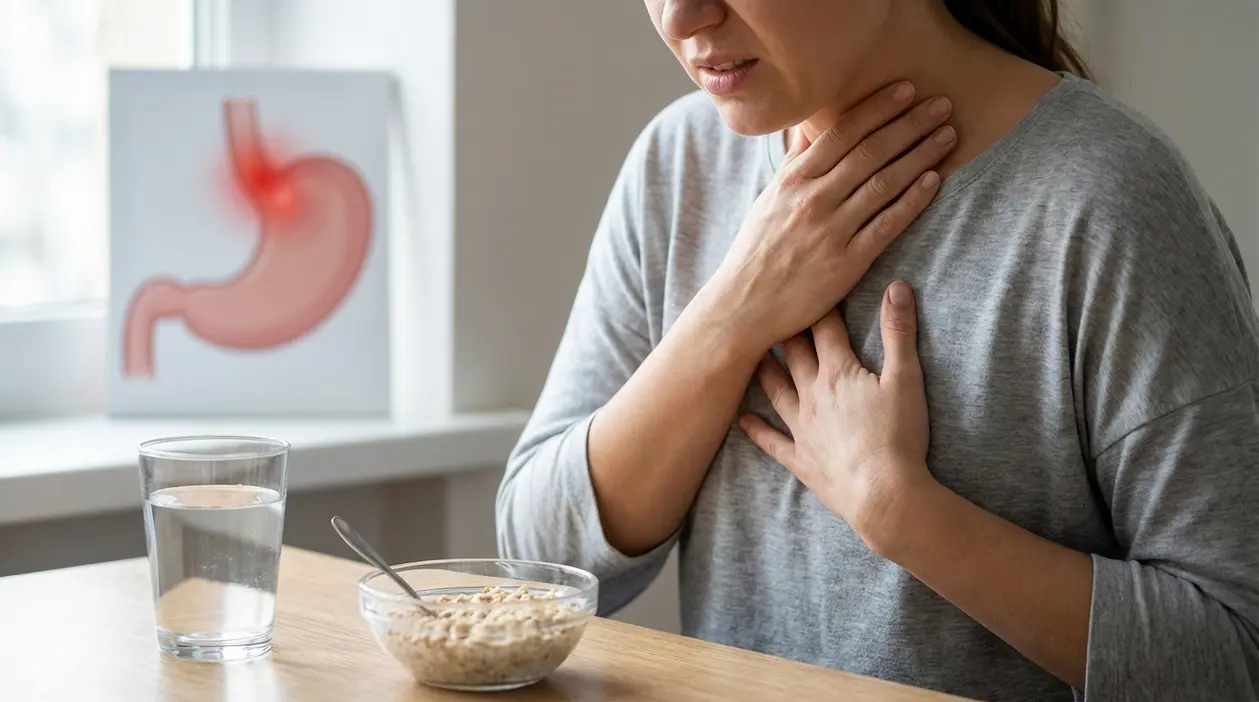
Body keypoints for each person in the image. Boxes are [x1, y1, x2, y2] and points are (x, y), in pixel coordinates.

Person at [495, 1, 1259, 699]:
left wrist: (902, 516)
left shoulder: (1104, 201)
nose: (680, 17)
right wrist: (730, 315)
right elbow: (536, 558)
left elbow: (1233, 655)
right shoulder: (680, 163)